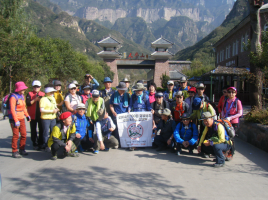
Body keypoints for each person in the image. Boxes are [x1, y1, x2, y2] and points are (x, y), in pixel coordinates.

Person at [8, 81, 31, 158]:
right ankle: (14, 151)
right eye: (22, 89)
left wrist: (27, 115)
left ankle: (22, 149)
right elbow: (12, 109)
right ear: (17, 89)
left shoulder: (22, 96)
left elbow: (24, 107)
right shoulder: (13, 97)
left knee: (24, 134)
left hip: (21, 118)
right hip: (14, 119)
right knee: (16, 135)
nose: (23, 91)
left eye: (24, 89)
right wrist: (16, 120)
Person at [109, 82, 130, 146]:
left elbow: (130, 105)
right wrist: (113, 112)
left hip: (125, 116)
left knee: (125, 129)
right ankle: (118, 143)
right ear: (118, 89)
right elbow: (111, 105)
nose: (122, 91)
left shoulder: (127, 95)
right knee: (117, 130)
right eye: (121, 90)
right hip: (117, 115)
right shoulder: (114, 95)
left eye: (123, 90)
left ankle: (125, 143)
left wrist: (129, 110)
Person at [26, 80, 45, 150]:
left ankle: (41, 143)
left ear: (40, 87)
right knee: (33, 130)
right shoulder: (29, 94)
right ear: (32, 87)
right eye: (35, 87)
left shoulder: (43, 94)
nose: (36, 88)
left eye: (37, 87)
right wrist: (35, 99)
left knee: (41, 129)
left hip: (41, 115)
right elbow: (28, 103)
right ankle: (34, 143)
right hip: (32, 115)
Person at [40, 85, 59, 152]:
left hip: (53, 117)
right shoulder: (43, 99)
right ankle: (45, 145)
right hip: (45, 118)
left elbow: (54, 105)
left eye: (53, 92)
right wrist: (52, 111)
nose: (52, 93)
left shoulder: (52, 98)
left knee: (53, 132)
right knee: (45, 132)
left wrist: (56, 109)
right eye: (51, 92)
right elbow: (41, 110)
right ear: (47, 92)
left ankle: (52, 144)